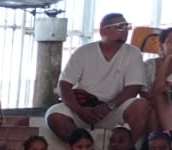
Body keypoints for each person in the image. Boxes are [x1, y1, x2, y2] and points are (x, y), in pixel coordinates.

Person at [49, 12, 155, 142]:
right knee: (54, 115)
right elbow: (64, 84)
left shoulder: (133, 53)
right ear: (104, 30)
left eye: (127, 27)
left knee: (141, 105)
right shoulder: (84, 52)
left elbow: (133, 88)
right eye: (121, 26)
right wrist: (79, 109)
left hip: (113, 109)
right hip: (82, 108)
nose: (126, 31)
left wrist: (108, 106)